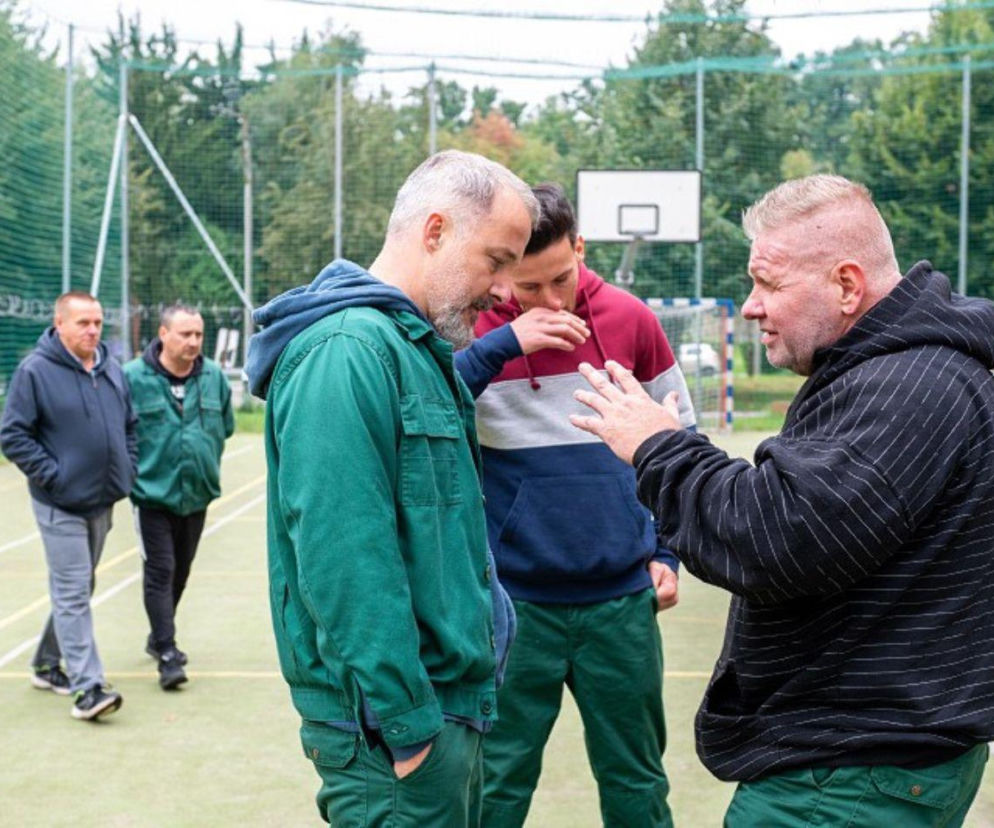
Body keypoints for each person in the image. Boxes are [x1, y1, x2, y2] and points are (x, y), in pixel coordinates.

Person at [571, 174, 994, 826]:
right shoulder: (904, 367)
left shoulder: (903, 385)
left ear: (848, 286)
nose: (750, 306)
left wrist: (658, 446)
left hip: (845, 779)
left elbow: (775, 538)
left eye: (769, 284)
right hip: (866, 765)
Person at [243, 150, 537, 827]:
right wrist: (410, 731)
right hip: (398, 737)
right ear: (435, 232)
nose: (505, 292)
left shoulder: (413, 349)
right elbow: (342, 556)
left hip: (442, 714)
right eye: (496, 260)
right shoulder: (348, 350)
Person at [453, 183, 693, 827]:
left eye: (562, 278)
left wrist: (668, 549)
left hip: (620, 604)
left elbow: (681, 442)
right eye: (529, 288)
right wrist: (507, 342)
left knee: (636, 780)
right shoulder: (473, 330)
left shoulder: (632, 321)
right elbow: (430, 416)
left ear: (580, 247)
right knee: (497, 784)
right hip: (513, 607)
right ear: (503, 274)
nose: (550, 300)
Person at [0, 292, 135, 721]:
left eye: (97, 322)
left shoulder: (111, 368)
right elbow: (13, 435)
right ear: (60, 324)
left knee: (78, 589)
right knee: (74, 590)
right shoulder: (35, 371)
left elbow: (129, 424)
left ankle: (45, 663)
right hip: (59, 504)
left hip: (102, 499)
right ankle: (88, 688)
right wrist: (55, 475)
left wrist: (126, 466)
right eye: (83, 323)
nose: (93, 330)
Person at [124, 304, 234, 690]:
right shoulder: (132, 379)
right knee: (161, 569)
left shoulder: (214, 378)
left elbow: (225, 426)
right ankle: (168, 653)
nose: (193, 342)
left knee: (181, 571)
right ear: (164, 334)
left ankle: (157, 636)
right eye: (185, 334)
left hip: (197, 495)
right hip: (151, 495)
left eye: (198, 335)